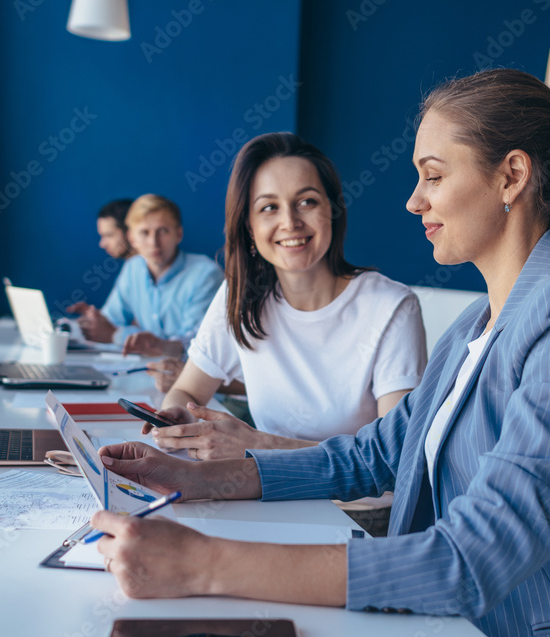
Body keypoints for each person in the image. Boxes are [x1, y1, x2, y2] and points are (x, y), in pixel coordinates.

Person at [89, 70, 550, 637]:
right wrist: (200, 479)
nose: (414, 201)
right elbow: (368, 457)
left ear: (512, 177)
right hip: (483, 636)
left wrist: (204, 564)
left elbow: (475, 556)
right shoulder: (480, 322)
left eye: (433, 176)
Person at [142, 132, 427, 462]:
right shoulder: (241, 295)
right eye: (269, 207)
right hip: (264, 493)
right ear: (249, 226)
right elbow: (188, 390)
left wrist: (259, 446)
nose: (289, 222)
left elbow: (392, 457)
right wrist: (179, 415)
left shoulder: (392, 307)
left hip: (357, 511)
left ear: (333, 210)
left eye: (307, 202)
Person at [67, 194, 223, 356]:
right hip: (143, 368)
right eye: (144, 233)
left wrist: (116, 335)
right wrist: (91, 323)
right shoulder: (133, 268)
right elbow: (111, 321)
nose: (153, 243)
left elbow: (197, 346)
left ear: (179, 234)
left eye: (163, 231)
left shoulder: (206, 274)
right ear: (132, 238)